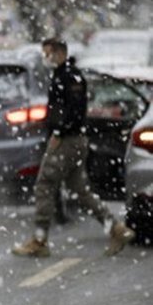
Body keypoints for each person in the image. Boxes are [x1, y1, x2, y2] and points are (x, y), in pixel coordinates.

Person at [12, 38, 135, 257]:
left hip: (67, 141)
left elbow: (74, 111)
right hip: (72, 140)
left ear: (59, 53)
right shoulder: (63, 74)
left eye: (47, 53)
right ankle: (116, 229)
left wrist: (59, 132)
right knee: (80, 190)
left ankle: (39, 240)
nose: (45, 58)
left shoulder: (69, 77)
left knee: (44, 185)